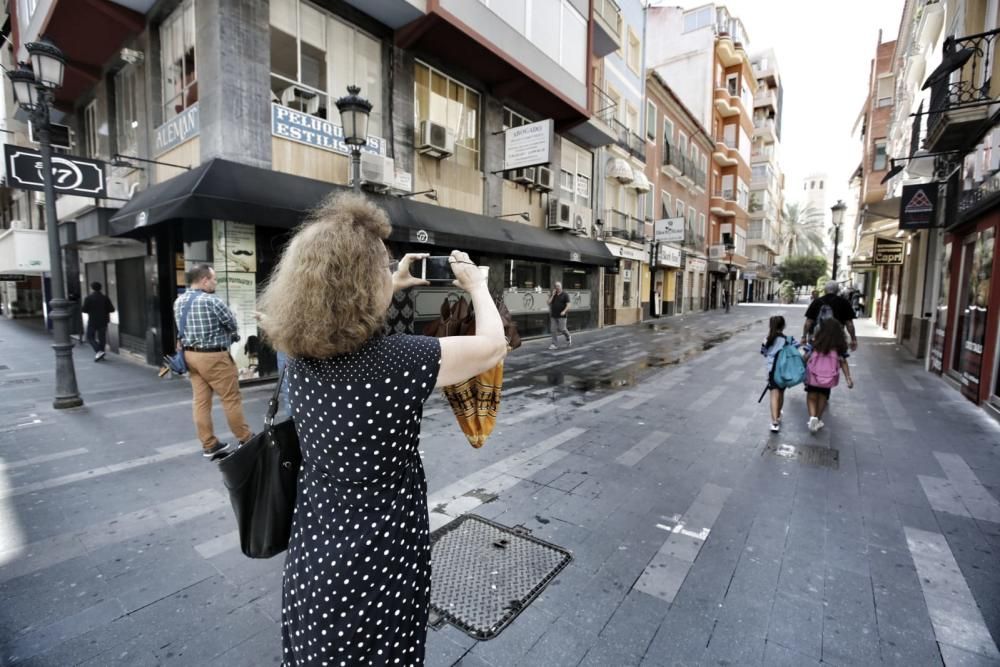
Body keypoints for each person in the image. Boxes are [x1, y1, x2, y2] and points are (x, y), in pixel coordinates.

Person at [256, 193, 507, 666]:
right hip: (384, 542)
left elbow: (341, 307)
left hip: (317, 537)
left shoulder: (296, 352)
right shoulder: (401, 360)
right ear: (364, 284)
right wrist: (477, 286)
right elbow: (492, 346)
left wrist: (392, 280)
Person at [173, 264, 252, 460]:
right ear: (204, 280)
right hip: (214, 357)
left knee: (200, 401)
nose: (215, 283)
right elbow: (232, 324)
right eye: (214, 279)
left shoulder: (179, 301)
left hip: (190, 357)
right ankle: (246, 438)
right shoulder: (212, 301)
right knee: (230, 398)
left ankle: (209, 444)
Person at [803, 317, 854, 433]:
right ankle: (818, 419)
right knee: (823, 397)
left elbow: (806, 357)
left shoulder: (815, 341)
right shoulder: (839, 346)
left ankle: (812, 417)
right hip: (829, 378)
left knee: (811, 396)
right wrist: (848, 378)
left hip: (813, 376)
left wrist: (802, 365)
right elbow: (843, 362)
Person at [760, 315, 799, 433]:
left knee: (773, 394)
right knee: (781, 393)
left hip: (772, 370)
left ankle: (774, 422)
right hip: (784, 370)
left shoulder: (767, 339)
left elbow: (764, 352)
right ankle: (778, 414)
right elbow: (796, 348)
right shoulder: (789, 339)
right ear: (783, 326)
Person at [803, 279, 858, 352]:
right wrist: (853, 339)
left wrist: (804, 337)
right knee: (840, 359)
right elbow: (849, 324)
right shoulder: (844, 303)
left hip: (817, 337)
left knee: (812, 357)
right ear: (837, 290)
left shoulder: (816, 302)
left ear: (825, 290)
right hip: (837, 338)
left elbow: (808, 322)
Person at [81, 282, 115, 361]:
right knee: (102, 338)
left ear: (92, 288)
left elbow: (84, 310)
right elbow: (112, 309)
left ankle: (98, 351)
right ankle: (101, 354)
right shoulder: (105, 298)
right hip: (103, 321)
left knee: (90, 337)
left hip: (93, 320)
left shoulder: (88, 298)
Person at [547, 281, 572, 350]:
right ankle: (554, 344)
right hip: (554, 315)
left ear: (561, 287)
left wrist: (564, 311)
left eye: (558, 286)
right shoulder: (554, 295)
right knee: (553, 330)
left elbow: (569, 305)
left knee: (562, 329)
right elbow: (548, 302)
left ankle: (568, 336)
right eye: (556, 286)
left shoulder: (565, 295)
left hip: (562, 316)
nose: (557, 287)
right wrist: (552, 295)